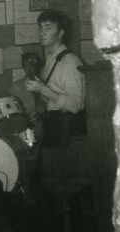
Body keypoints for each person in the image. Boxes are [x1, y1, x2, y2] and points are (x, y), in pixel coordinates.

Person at [25, 9, 87, 147]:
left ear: (60, 33)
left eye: (48, 28)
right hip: (53, 127)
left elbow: (76, 105)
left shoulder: (70, 62)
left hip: (67, 133)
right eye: (40, 27)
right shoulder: (50, 60)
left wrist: (42, 89)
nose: (42, 32)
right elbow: (54, 96)